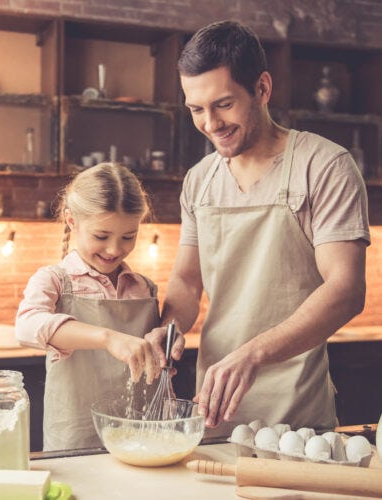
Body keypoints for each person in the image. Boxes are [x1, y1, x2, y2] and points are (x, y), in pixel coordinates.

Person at [147, 20, 370, 437]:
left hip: (298, 418)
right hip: (214, 410)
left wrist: (252, 353)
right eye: (196, 109)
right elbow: (186, 280)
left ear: (262, 89)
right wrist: (170, 329)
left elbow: (346, 290)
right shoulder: (199, 180)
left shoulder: (324, 166)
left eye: (224, 104)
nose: (211, 124)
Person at [15, 163, 164, 451]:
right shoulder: (54, 280)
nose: (114, 250)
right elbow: (26, 326)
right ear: (71, 221)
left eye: (128, 237)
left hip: (140, 435)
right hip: (75, 438)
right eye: (101, 236)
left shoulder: (144, 287)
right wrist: (108, 337)